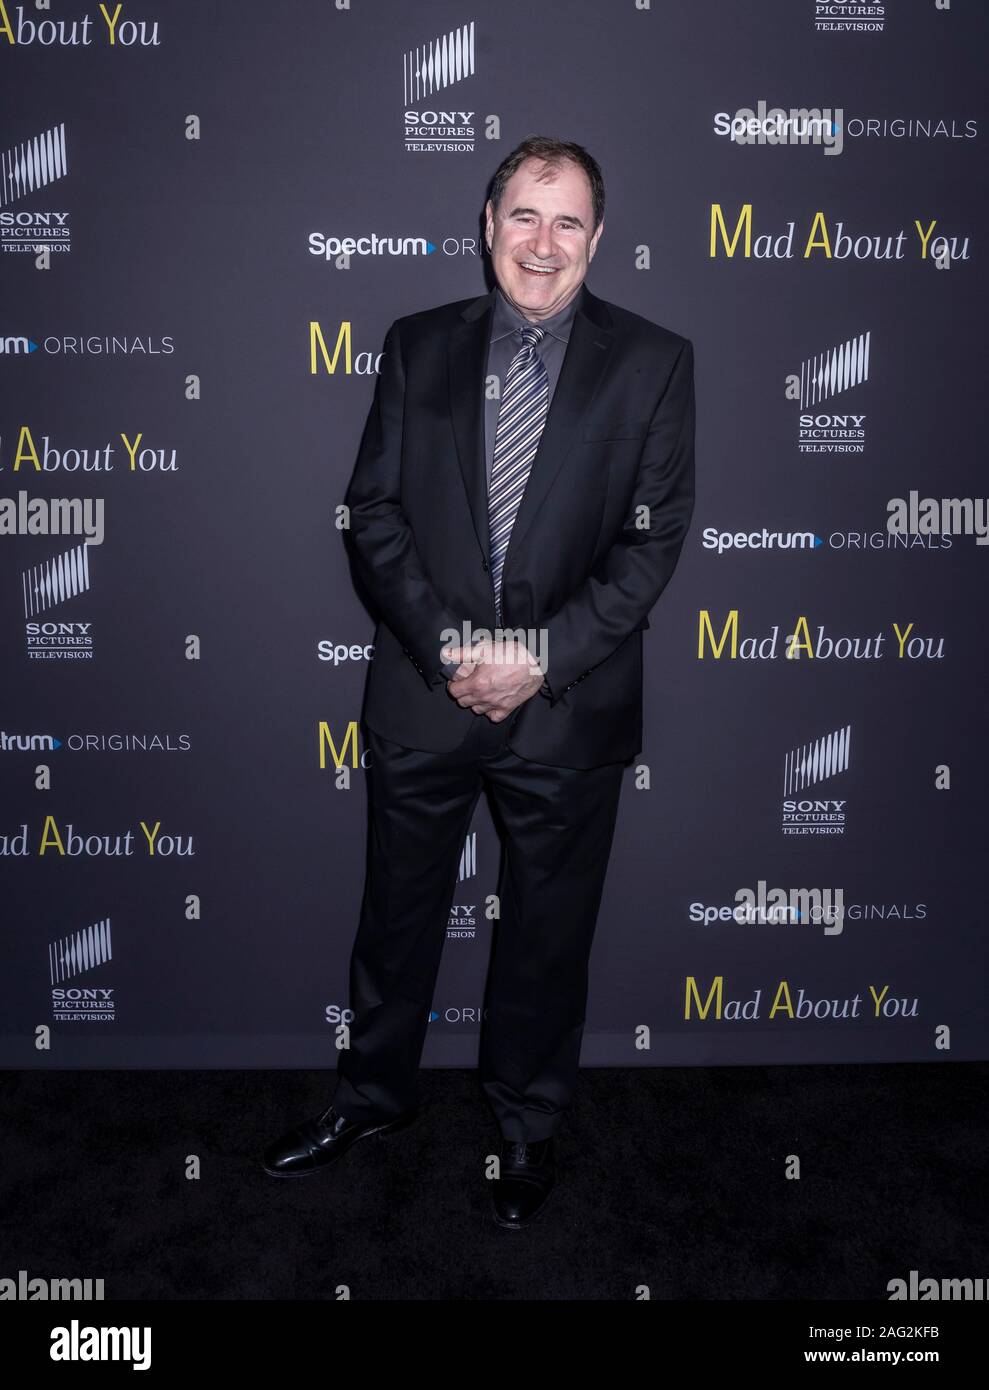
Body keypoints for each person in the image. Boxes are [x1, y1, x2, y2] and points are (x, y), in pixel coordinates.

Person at [262, 134, 695, 1228]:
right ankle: (372, 1097)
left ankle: (522, 1129)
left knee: (546, 935)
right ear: (486, 223)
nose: (540, 243)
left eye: (566, 222)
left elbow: (648, 547)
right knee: (396, 917)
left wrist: (536, 659)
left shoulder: (653, 362)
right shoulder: (416, 346)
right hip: (424, 690)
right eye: (522, 216)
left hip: (567, 705)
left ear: (597, 238)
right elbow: (374, 513)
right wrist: (454, 651)